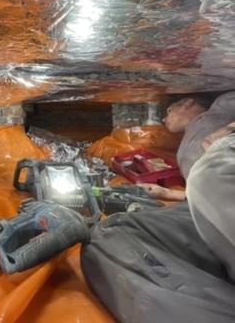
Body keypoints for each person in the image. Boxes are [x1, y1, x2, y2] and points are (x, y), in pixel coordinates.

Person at [81, 131, 235, 323]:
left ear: (188, 105)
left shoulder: (217, 166)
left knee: (214, 169)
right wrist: (171, 193)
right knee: (113, 231)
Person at [138, 91, 235, 201]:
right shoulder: (184, 150)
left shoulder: (221, 107)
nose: (164, 119)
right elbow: (208, 198)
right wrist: (167, 193)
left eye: (169, 111)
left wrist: (229, 129)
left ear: (187, 103)